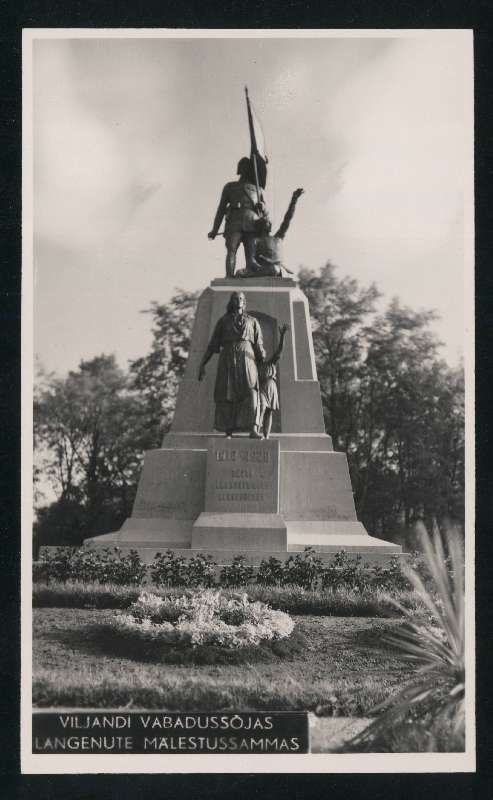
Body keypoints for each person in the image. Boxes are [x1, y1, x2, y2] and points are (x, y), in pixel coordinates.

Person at [198, 291, 265, 438]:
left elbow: (259, 344)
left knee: (251, 390)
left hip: (247, 356)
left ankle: (254, 428)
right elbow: (212, 345)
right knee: (227, 392)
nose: (238, 301)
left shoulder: (253, 321)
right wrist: (202, 364)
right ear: (231, 302)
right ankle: (228, 430)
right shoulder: (223, 321)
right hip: (227, 356)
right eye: (235, 298)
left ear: (244, 302)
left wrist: (263, 359)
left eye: (241, 298)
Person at [208, 157, 267, 277]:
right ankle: (229, 276)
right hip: (234, 222)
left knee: (251, 255)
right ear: (239, 168)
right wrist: (215, 229)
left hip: (252, 223)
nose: (245, 168)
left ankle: (249, 275)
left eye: (247, 166)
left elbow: (266, 212)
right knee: (231, 250)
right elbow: (221, 209)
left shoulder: (258, 189)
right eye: (242, 166)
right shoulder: (230, 187)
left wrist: (262, 206)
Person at [236, 188, 304, 278]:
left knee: (276, 269)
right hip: (264, 269)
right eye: (264, 222)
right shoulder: (255, 241)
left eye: (268, 222)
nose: (268, 223)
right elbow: (251, 261)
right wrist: (264, 265)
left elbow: (287, 219)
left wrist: (294, 200)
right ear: (259, 226)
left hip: (278, 269)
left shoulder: (278, 238)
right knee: (271, 269)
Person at [258, 324, 289, 438]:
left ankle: (266, 435)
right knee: (261, 406)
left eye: (263, 353)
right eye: (260, 353)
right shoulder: (254, 366)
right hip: (261, 387)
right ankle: (256, 430)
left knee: (269, 412)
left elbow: (280, 351)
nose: (262, 354)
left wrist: (282, 336)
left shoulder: (270, 363)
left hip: (271, 386)